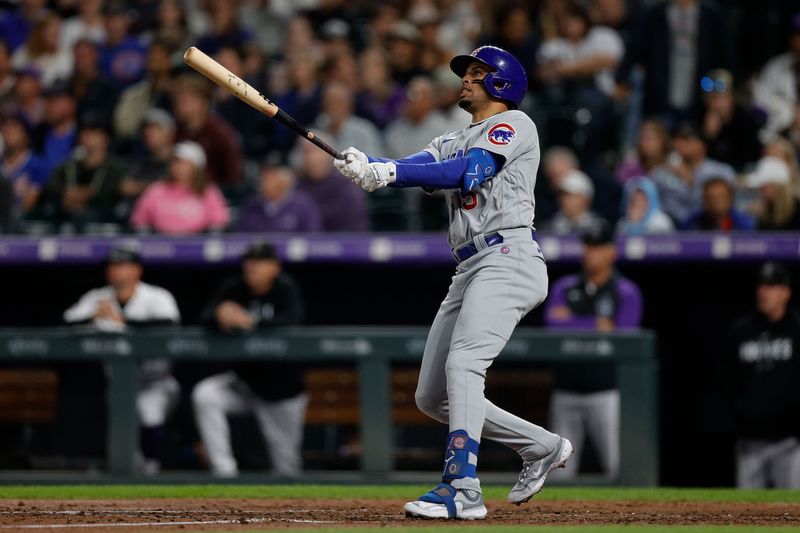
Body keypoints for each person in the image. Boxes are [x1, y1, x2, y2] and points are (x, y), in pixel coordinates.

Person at [334, 46, 571, 520]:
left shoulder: (516, 125)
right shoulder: (451, 138)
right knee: (432, 396)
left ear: (502, 83)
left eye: (478, 73)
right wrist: (368, 166)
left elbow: (470, 171)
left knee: (464, 363)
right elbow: (420, 164)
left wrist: (390, 172)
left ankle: (462, 487)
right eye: (467, 72)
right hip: (468, 266)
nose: (466, 79)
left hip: (508, 256)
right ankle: (541, 446)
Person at [63, 244, 181, 476]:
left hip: (156, 380)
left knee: (149, 414)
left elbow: (169, 324)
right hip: (118, 383)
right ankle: (135, 481)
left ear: (137, 270)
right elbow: (67, 322)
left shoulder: (156, 296)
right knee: (125, 437)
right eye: (112, 265)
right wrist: (91, 317)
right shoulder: (98, 298)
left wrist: (124, 322)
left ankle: (151, 469)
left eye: (122, 265)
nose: (115, 270)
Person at [193, 241, 307, 478]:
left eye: (260, 262)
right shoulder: (235, 287)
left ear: (275, 267)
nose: (253, 267)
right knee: (206, 395)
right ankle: (224, 473)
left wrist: (251, 322)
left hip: (280, 390)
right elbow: (204, 316)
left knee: (286, 466)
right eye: (250, 261)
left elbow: (291, 321)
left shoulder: (285, 288)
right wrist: (219, 316)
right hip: (244, 383)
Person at [545, 222, 643, 480]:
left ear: (612, 252)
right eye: (588, 247)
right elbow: (552, 326)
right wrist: (596, 324)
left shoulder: (626, 291)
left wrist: (572, 319)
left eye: (598, 247)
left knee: (617, 466)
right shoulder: (565, 287)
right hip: (565, 389)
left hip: (607, 391)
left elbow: (624, 335)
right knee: (559, 472)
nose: (591, 253)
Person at [722, 262, 800, 488]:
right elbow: (726, 378)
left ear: (786, 291)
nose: (763, 291)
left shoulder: (796, 329)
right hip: (749, 442)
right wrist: (742, 412)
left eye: (772, 285)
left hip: (789, 441)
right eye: (761, 285)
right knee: (745, 514)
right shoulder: (742, 330)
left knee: (793, 513)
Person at [37, 118, 127, 228]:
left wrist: (84, 195)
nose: (87, 135)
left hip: (101, 216)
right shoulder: (70, 165)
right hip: (67, 212)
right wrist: (67, 192)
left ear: (106, 138)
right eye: (84, 131)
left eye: (93, 132)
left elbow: (110, 190)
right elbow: (51, 184)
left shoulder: (114, 167)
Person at [130, 141, 230, 234]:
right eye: (175, 162)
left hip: (198, 244)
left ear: (196, 167)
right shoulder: (157, 190)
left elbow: (219, 220)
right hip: (161, 245)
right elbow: (139, 219)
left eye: (184, 163)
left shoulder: (208, 191)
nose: (178, 167)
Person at [237, 165, 322, 233]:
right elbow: (242, 236)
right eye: (263, 179)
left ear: (283, 182)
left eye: (269, 179)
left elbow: (313, 235)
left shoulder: (303, 204)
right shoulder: (252, 206)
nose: (264, 184)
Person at [540, 170, 606, 236]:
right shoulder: (548, 228)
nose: (565, 200)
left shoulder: (600, 228)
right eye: (562, 195)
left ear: (586, 199)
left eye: (571, 195)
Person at [680, 177, 756, 231]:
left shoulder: (745, 223)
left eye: (721, 196)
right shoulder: (692, 223)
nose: (716, 201)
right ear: (704, 200)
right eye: (711, 197)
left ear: (730, 198)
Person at [747, 156, 800, 231]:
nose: (761, 191)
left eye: (765, 187)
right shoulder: (765, 211)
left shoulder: (796, 209)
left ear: (778, 186)